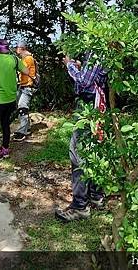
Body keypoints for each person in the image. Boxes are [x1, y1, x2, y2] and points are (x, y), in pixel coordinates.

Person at [56, 52, 107, 222]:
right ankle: (96, 195)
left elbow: (84, 81)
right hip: (95, 103)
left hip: (89, 105)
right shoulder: (100, 48)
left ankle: (80, 206)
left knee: (78, 154)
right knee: (94, 150)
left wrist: (69, 65)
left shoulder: (96, 51)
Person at [0, 39, 28, 159]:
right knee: (5, 123)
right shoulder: (14, 59)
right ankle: (5, 148)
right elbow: (26, 70)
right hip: (11, 98)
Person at [12, 41, 37, 142]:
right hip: (23, 85)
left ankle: (22, 132)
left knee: (23, 107)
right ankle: (27, 128)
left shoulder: (28, 58)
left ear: (20, 48)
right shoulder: (25, 58)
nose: (15, 49)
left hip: (28, 86)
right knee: (21, 107)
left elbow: (23, 69)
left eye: (16, 47)